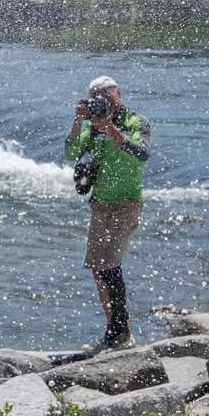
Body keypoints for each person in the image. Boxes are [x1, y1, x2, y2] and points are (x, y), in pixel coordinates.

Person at [64, 75, 151, 350]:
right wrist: (79, 121)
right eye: (97, 97)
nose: (104, 101)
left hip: (128, 202)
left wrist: (110, 128)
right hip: (100, 203)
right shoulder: (92, 128)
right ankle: (113, 331)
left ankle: (121, 331)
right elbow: (71, 153)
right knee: (98, 269)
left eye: (108, 95)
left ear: (119, 93)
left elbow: (141, 153)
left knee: (109, 262)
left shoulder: (136, 121)